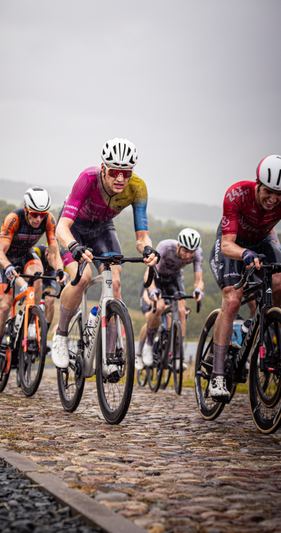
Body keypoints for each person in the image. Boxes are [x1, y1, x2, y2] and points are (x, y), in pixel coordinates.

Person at [52, 137, 160, 375]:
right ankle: (60, 335)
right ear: (103, 168)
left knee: (116, 283)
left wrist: (149, 250)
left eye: (126, 172)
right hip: (75, 229)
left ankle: (109, 356)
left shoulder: (138, 187)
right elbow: (61, 228)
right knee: (82, 277)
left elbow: (142, 237)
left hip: (102, 230)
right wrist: (73, 246)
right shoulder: (87, 179)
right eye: (114, 172)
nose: (120, 178)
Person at [209, 154, 281, 399]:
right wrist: (246, 254)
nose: (273, 199)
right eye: (268, 192)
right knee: (232, 300)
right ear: (258, 184)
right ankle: (217, 375)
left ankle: (261, 321)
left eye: (279, 195)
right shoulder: (237, 194)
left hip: (263, 239)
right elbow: (228, 244)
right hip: (234, 242)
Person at [0, 188, 65, 379]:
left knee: (37, 277)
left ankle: (31, 322)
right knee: (4, 307)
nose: (38, 219)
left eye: (42, 214)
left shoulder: (49, 220)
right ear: (26, 209)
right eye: (34, 214)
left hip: (24, 256)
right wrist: (8, 269)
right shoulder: (14, 218)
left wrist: (61, 270)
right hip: (4, 260)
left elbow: (53, 253)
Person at [135, 228, 204, 370]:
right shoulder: (165, 247)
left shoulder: (197, 253)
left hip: (174, 279)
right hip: (157, 278)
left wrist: (198, 290)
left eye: (192, 252)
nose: (188, 255)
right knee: (158, 308)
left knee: (181, 311)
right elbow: (149, 273)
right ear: (178, 245)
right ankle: (146, 347)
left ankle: (178, 356)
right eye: (185, 251)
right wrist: (153, 290)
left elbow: (199, 279)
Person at [33, 243, 62, 332]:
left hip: (49, 277)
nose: (52, 262)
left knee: (50, 301)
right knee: (32, 297)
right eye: (51, 257)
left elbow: (65, 274)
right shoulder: (39, 250)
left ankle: (44, 333)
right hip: (35, 273)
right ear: (46, 252)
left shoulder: (59, 256)